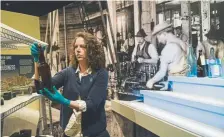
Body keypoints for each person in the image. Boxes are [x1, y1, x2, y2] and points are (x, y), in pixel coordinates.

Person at [31, 32, 110, 137]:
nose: (78, 49)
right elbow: (43, 87)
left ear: (92, 50)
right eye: (76, 46)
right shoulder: (69, 72)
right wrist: (38, 60)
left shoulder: (101, 74)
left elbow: (92, 104)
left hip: (94, 133)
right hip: (70, 133)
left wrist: (64, 101)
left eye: (82, 46)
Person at [146, 22, 187, 89]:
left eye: (158, 37)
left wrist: (151, 81)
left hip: (176, 84)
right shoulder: (181, 43)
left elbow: (162, 72)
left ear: (164, 34)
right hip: (183, 82)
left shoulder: (168, 48)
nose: (159, 41)